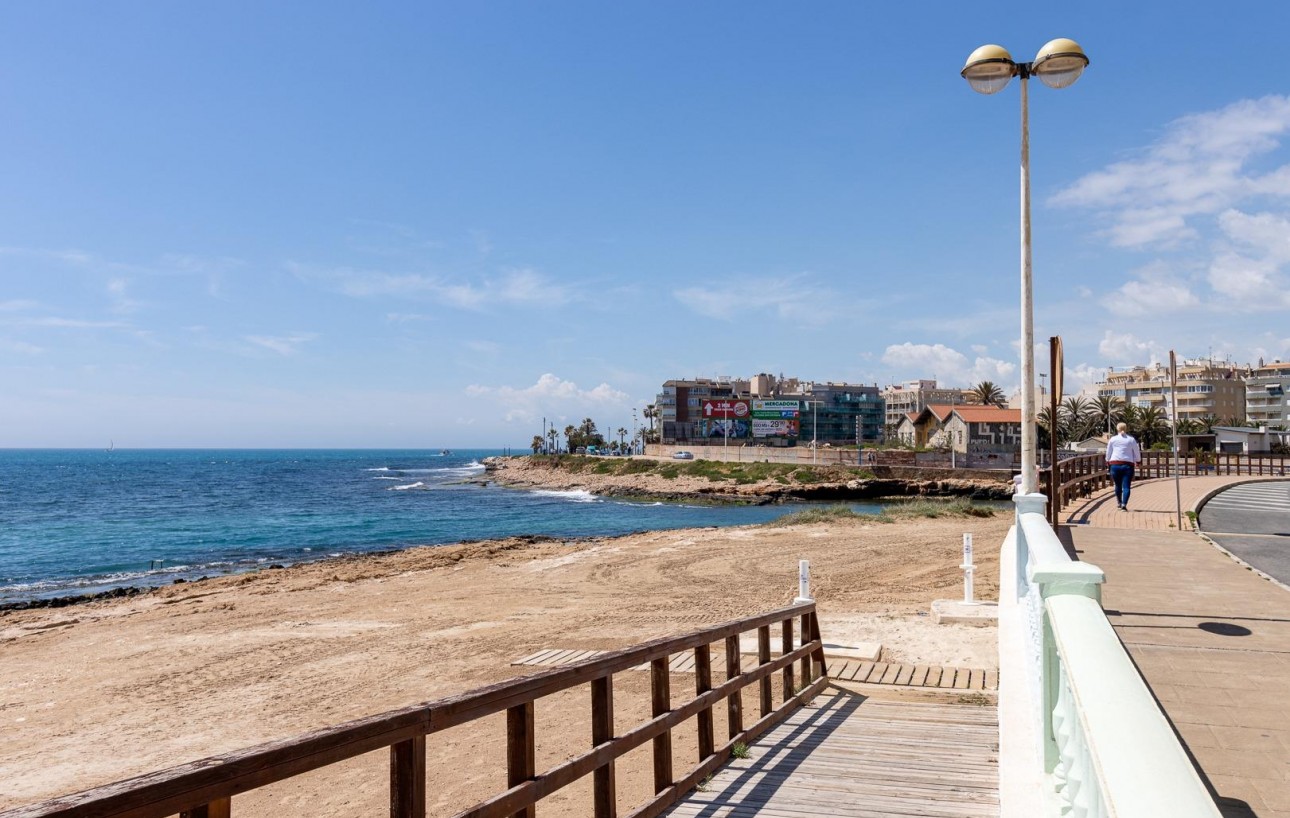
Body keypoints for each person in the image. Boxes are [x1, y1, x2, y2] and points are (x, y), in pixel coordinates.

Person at [1105, 422, 1142, 511]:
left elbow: (1108, 452)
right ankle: (1124, 505)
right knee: (1126, 486)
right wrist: (1138, 461)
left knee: (1117, 485)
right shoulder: (1131, 439)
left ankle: (1119, 502)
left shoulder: (1113, 439)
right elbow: (1137, 452)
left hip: (1115, 464)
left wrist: (1107, 460)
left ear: (1117, 429)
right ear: (1126, 429)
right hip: (1128, 465)